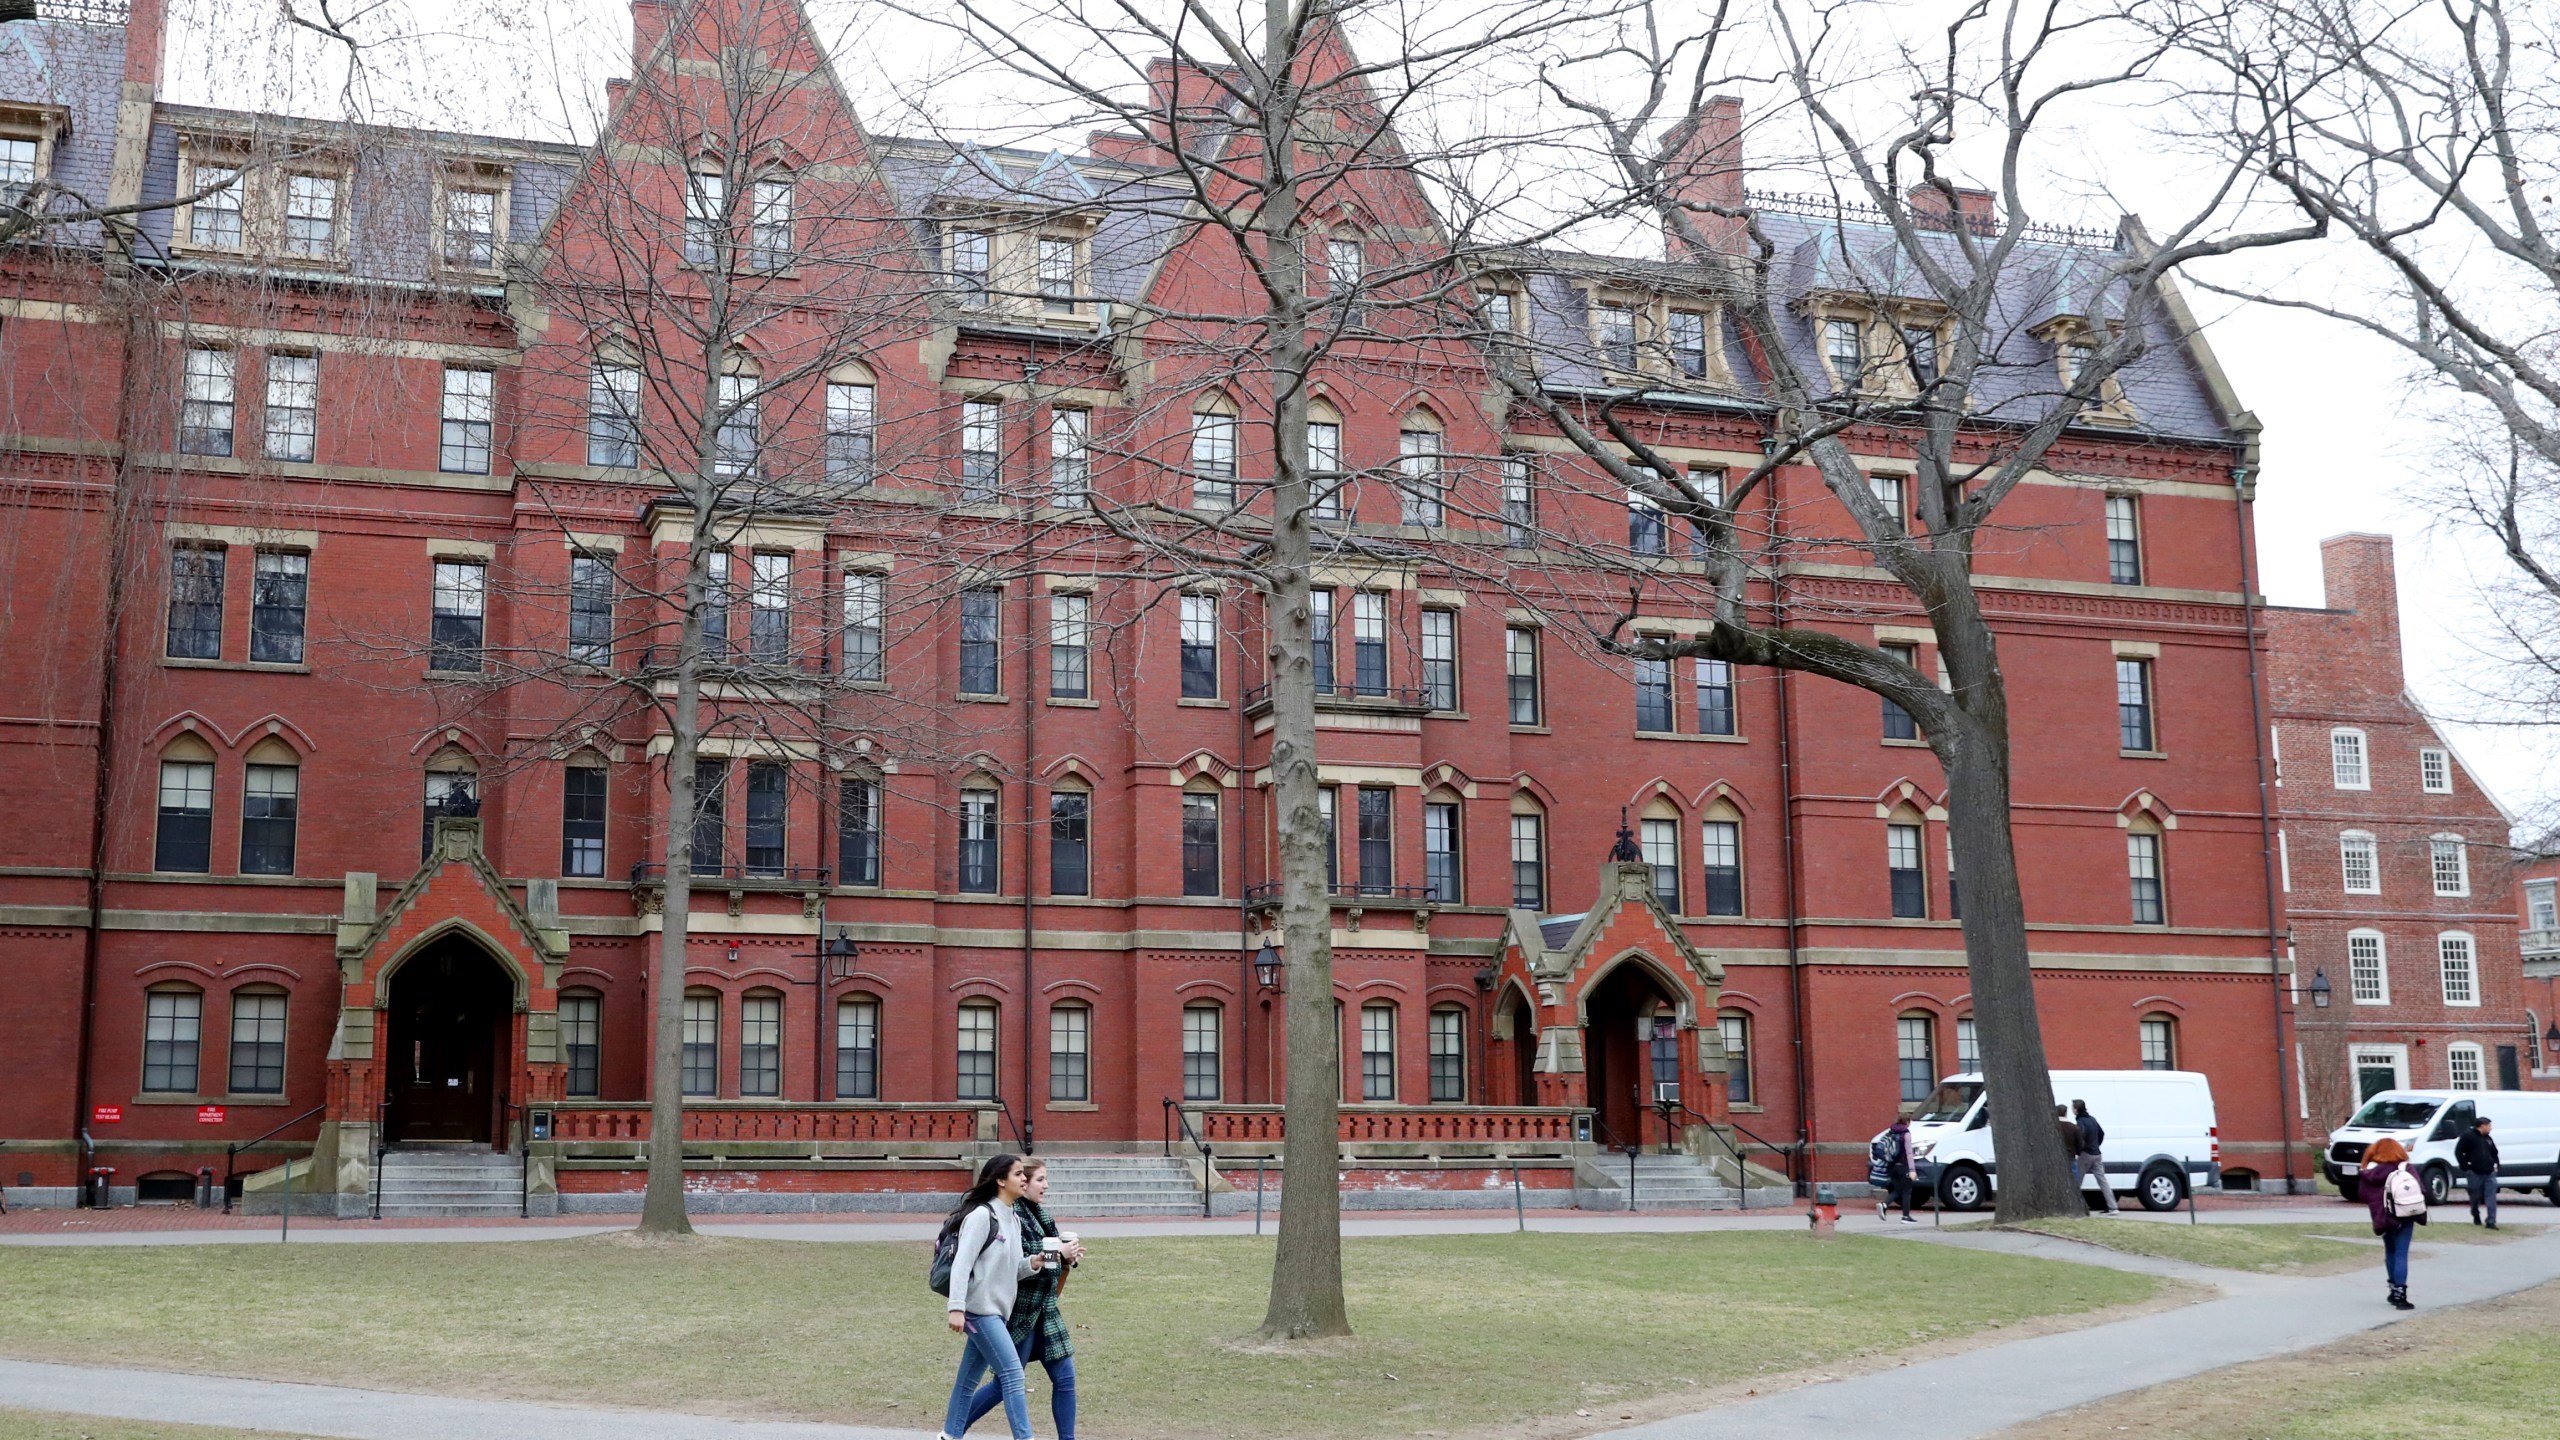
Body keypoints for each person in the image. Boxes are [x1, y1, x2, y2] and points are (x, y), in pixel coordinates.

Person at [961, 1159, 1086, 1440]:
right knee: (1003, 1384)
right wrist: (1059, 1255)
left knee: (1065, 1379)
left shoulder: (1040, 1214)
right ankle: (955, 1427)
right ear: (1023, 1182)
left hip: (1045, 1310)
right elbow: (1022, 1260)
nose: (1046, 1185)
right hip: (1020, 1311)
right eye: (1040, 1179)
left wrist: (1070, 1258)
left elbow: (1051, 1253)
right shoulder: (1013, 1215)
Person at [940, 1154, 1051, 1440]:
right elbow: (962, 1264)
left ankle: (949, 1436)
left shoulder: (1011, 1217)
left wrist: (1033, 1263)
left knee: (968, 1382)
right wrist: (956, 1308)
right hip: (979, 1311)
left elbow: (1009, 1269)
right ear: (1001, 1180)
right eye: (1017, 1174)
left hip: (998, 1313)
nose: (1023, 1178)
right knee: (1013, 1374)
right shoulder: (981, 1216)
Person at [2359, 1137, 2425, 1311]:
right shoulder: (2406, 1168)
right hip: (2404, 1215)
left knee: (2390, 1251)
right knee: (2401, 1253)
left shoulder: (2371, 1174)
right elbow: (2421, 1190)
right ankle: (2400, 1294)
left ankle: (2392, 1288)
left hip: (2383, 1217)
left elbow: (2362, 1195)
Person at [2455, 1117, 2501, 1229]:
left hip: (2489, 1173)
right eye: (2489, 1125)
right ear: (2482, 1125)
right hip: (2474, 1173)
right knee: (2475, 1197)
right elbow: (2458, 1152)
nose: (2490, 1128)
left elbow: (2494, 1153)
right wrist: (2466, 1167)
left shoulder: (2488, 1139)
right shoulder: (2468, 1136)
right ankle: (2475, 1214)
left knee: (2491, 1197)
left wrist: (2496, 1165)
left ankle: (2491, 1221)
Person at [2073, 1099, 2118, 1214]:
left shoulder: (2081, 1122)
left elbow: (2081, 1136)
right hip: (2097, 1154)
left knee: (2077, 1181)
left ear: (2076, 1110)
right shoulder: (2092, 1119)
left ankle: (2074, 1206)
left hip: (2086, 1154)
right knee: (2102, 1181)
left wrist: (2080, 1149)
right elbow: (2101, 1133)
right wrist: (2096, 1145)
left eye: (2073, 1108)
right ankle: (2113, 1206)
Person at [1874, 1113, 1919, 1223]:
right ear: (1907, 1122)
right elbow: (1909, 1153)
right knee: (1907, 1190)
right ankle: (1905, 1216)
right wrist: (1912, 1170)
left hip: (1892, 1166)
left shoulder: (1891, 1132)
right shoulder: (1906, 1134)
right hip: (1903, 1166)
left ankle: (1884, 1204)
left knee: (1898, 1189)